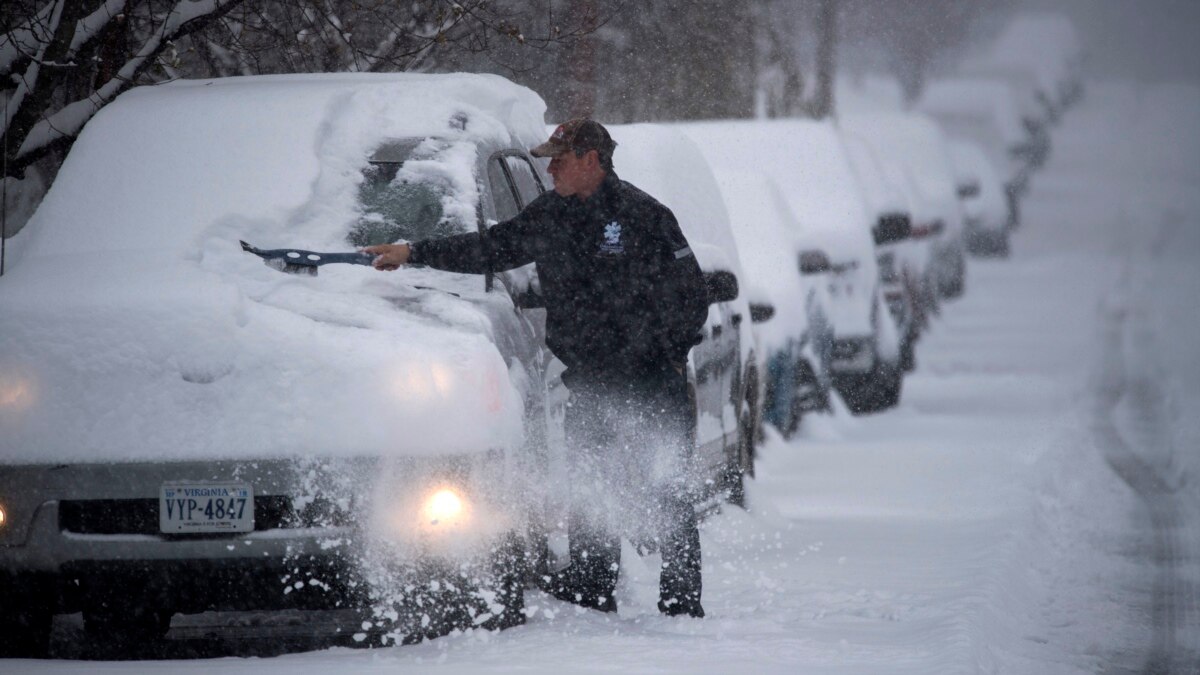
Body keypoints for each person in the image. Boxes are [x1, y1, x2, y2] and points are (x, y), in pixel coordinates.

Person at [365, 118, 709, 618]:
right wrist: (414, 252)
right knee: (593, 484)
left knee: (664, 488)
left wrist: (662, 354)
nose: (549, 170)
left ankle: (681, 605)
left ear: (592, 160)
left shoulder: (646, 215)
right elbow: (491, 247)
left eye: (559, 160)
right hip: (591, 381)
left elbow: (692, 297)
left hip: (652, 381)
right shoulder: (552, 215)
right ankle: (592, 590)